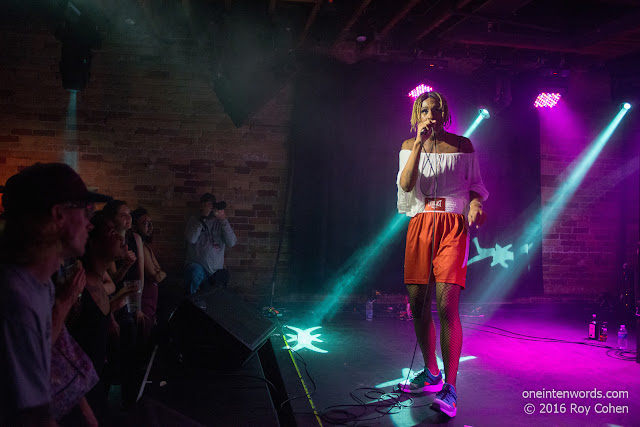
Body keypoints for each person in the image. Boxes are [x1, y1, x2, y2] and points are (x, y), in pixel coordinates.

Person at [396, 92, 489, 418]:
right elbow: (406, 186)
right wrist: (419, 145)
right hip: (420, 223)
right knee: (418, 303)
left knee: (447, 304)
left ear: (445, 113)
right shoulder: (410, 145)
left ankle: (450, 387)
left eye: (436, 110)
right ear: (417, 114)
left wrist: (476, 205)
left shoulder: (463, 145)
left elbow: (477, 186)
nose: (431, 115)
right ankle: (431, 373)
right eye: (425, 110)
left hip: (452, 225)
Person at [0, 162, 111, 426]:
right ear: (58, 215)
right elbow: (30, 416)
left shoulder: (41, 285)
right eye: (85, 211)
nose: (90, 224)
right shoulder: (16, 299)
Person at [67, 211, 137, 423]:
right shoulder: (77, 287)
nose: (120, 237)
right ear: (93, 242)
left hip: (95, 387)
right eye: (112, 232)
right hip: (78, 398)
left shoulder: (99, 284)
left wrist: (112, 310)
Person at [184, 193, 237, 294]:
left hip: (215, 272)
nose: (209, 209)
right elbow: (191, 239)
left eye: (210, 206)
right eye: (205, 206)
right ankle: (192, 301)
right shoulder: (194, 220)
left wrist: (223, 219)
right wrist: (203, 218)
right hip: (196, 267)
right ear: (201, 206)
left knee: (223, 276)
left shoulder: (220, 222)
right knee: (195, 272)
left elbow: (231, 243)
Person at [131, 208, 165, 325]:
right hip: (143, 303)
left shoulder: (147, 248)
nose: (151, 227)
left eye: (151, 223)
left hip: (150, 303)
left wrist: (159, 272)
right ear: (134, 227)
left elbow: (159, 271)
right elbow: (156, 276)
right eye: (146, 223)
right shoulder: (141, 249)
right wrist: (160, 272)